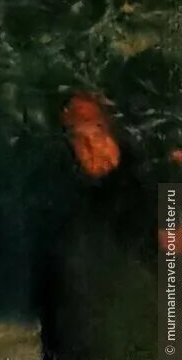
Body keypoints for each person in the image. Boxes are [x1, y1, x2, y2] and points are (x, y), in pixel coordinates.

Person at [35, 90, 164, 359]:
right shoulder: (64, 206)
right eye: (79, 138)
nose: (92, 148)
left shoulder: (155, 187)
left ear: (114, 130)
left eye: (97, 133)